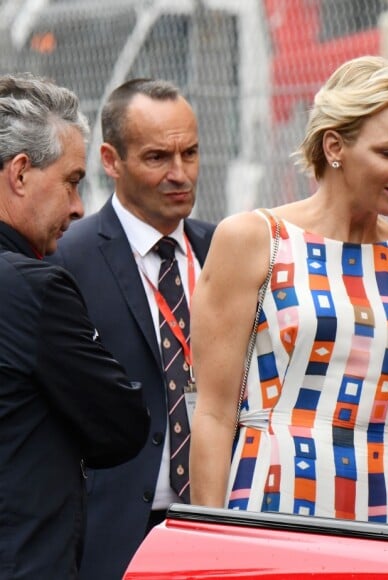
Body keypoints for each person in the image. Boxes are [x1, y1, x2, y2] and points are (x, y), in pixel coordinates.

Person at [189, 56, 388, 529]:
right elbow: (213, 414)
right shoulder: (253, 240)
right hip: (272, 509)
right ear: (335, 146)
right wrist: (211, 538)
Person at [50, 79, 215, 579]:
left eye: (190, 153)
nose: (180, 174)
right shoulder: (66, 259)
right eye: (157, 157)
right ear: (110, 159)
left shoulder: (226, 252)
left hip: (218, 522)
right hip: (115, 531)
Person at [0, 73, 149, 579]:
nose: (78, 207)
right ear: (20, 174)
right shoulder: (32, 287)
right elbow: (122, 424)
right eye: (71, 181)